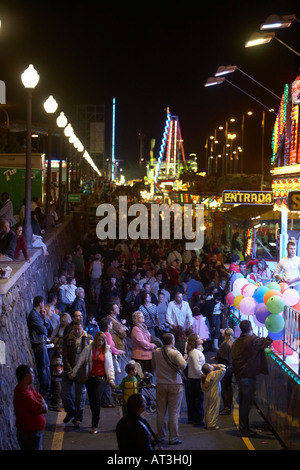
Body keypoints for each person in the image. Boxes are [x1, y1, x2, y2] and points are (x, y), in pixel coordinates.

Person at [231, 319, 273, 437]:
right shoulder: (252, 340)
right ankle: (244, 430)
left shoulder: (236, 342)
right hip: (247, 377)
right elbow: (267, 341)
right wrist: (274, 327)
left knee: (244, 403)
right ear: (251, 328)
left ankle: (244, 428)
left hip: (240, 376)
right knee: (246, 404)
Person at [68, 331, 115, 434]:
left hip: (101, 378)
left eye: (102, 340)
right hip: (90, 378)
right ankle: (94, 420)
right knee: (93, 401)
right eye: (98, 340)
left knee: (97, 399)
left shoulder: (106, 350)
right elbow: (80, 362)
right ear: (95, 340)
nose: (100, 342)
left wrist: (111, 378)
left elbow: (110, 365)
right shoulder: (89, 349)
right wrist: (74, 373)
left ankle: (95, 425)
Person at [152, 333, 186, 445]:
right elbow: (183, 365)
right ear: (172, 341)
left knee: (160, 411)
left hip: (160, 383)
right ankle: (173, 438)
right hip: (174, 384)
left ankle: (160, 435)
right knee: (174, 412)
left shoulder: (156, 352)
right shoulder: (175, 353)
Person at [61, 319, 93, 428]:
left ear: (82, 327)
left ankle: (78, 419)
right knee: (65, 393)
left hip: (81, 371)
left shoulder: (88, 339)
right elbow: (64, 356)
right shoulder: (67, 339)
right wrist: (70, 371)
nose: (77, 331)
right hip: (69, 369)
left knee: (80, 396)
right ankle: (70, 410)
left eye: (79, 329)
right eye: (75, 329)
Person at [13, 365, 48, 450]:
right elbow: (44, 409)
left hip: (33, 434)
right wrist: (44, 404)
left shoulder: (29, 388)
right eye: (31, 373)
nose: (33, 375)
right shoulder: (23, 395)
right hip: (29, 435)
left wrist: (43, 403)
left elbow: (40, 398)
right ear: (26, 375)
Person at [27, 296, 52, 397]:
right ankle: (45, 389)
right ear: (41, 304)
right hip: (38, 344)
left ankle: (46, 388)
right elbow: (43, 330)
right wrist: (44, 326)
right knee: (43, 368)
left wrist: (44, 318)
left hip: (41, 342)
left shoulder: (38, 315)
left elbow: (47, 327)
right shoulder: (33, 316)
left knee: (46, 366)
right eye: (43, 303)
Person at [185, 333, 205, 427]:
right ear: (195, 341)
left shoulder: (193, 352)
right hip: (197, 379)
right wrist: (203, 376)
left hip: (193, 378)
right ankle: (198, 419)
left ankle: (193, 418)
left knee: (194, 399)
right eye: (199, 338)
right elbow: (197, 368)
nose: (201, 339)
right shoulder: (195, 353)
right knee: (198, 399)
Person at [201, 363, 226, 430]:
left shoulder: (204, 376)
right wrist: (216, 365)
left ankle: (207, 423)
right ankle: (212, 424)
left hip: (207, 393)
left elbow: (203, 387)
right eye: (210, 365)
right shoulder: (214, 374)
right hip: (214, 392)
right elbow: (223, 368)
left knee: (207, 408)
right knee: (213, 408)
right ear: (209, 369)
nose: (212, 365)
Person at [216, 328, 234, 415]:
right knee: (229, 387)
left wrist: (215, 358)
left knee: (224, 388)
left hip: (225, 367)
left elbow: (222, 357)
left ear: (225, 335)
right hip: (231, 367)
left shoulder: (225, 344)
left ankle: (226, 407)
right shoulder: (233, 342)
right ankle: (229, 406)